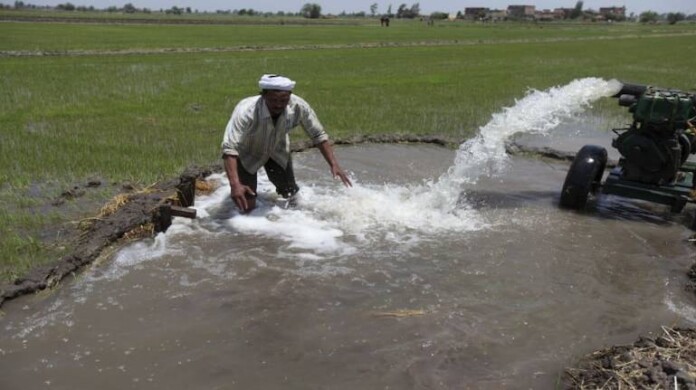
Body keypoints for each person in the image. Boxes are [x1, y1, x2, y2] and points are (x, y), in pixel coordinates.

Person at [221, 74, 352, 213]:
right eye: (273, 100)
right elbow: (229, 148)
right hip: (247, 153)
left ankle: (294, 222)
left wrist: (334, 164)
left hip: (278, 151)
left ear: (290, 96)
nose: (278, 105)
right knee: (246, 206)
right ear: (263, 96)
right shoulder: (246, 111)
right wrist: (235, 184)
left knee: (290, 194)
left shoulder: (298, 106)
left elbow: (318, 135)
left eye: (284, 100)